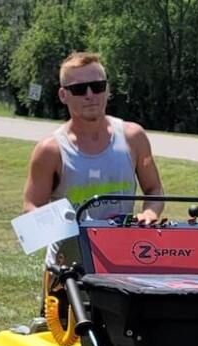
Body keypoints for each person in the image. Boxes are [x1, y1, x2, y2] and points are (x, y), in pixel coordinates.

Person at [23, 51, 165, 252]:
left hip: (123, 256)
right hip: (68, 265)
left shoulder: (134, 137)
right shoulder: (50, 150)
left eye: (98, 86)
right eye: (79, 89)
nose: (90, 95)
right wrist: (70, 229)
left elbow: (154, 189)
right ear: (63, 95)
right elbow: (31, 208)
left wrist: (150, 213)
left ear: (107, 90)